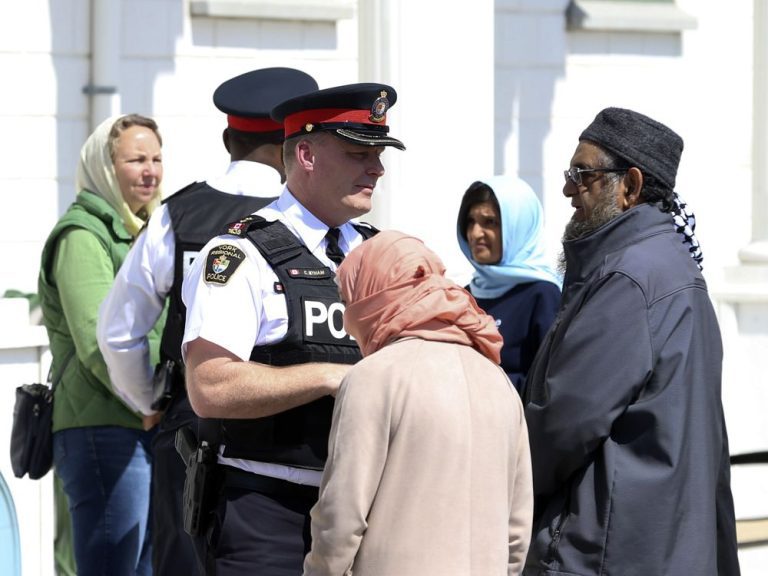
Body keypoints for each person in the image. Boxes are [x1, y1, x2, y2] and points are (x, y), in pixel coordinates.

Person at [96, 68, 318, 576]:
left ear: (227, 139)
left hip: (189, 426)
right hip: (293, 435)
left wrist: (150, 400)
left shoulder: (177, 214)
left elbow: (119, 330)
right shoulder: (311, 217)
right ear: (295, 139)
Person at [181, 82, 406, 575]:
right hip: (268, 514)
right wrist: (328, 377)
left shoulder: (378, 253)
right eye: (357, 153)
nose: (377, 168)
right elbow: (209, 385)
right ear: (305, 153)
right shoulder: (242, 256)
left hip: (366, 509)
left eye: (379, 153)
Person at [522, 107, 740, 575]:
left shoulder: (628, 278)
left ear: (631, 186)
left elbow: (564, 423)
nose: (567, 188)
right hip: (659, 544)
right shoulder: (663, 265)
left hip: (610, 549)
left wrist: (507, 480)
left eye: (582, 174)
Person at [302, 230, 533, 576]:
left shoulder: (374, 377)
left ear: (373, 294)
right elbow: (516, 531)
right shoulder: (498, 381)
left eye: (349, 299)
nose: (349, 323)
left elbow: (341, 516)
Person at [39, 114, 165, 576]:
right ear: (105, 168)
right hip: (103, 427)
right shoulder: (82, 235)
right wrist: (151, 400)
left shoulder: (154, 232)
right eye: (135, 159)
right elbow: (97, 340)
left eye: (156, 157)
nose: (150, 170)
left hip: (147, 421)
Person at [456, 176, 561, 396]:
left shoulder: (543, 295)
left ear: (518, 226)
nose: (475, 233)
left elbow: (548, 384)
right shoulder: (464, 296)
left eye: (489, 222)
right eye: (470, 222)